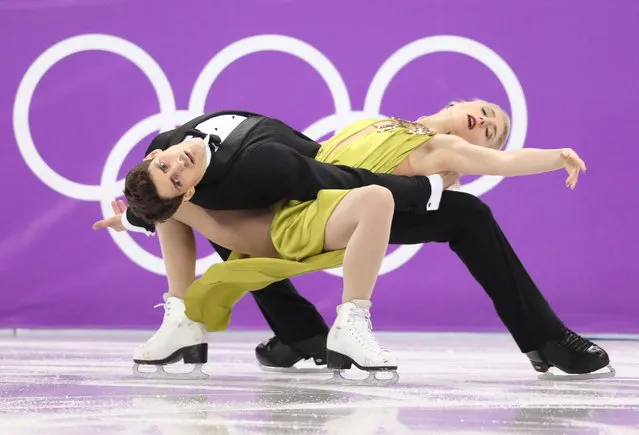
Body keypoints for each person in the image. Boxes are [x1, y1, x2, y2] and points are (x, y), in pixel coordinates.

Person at [95, 101, 610, 380]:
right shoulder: (390, 121)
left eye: (492, 131)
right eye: (485, 112)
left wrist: (549, 156)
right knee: (228, 208)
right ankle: (296, 333)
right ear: (457, 102)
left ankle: (546, 339)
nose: (485, 124)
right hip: (312, 194)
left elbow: (498, 162)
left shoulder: (445, 147)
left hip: (364, 199)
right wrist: (137, 215)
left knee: (469, 213)